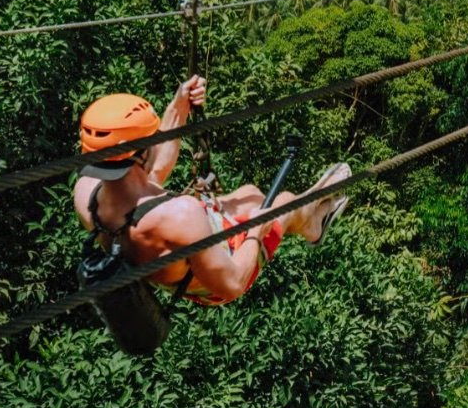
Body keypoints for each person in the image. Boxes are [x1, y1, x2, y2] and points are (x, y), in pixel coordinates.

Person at [72, 78, 349, 306]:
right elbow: (233, 284)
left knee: (250, 193)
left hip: (168, 261)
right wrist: (256, 231)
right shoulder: (181, 215)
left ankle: (308, 218)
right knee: (281, 205)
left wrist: (178, 108)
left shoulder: (86, 193)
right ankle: (311, 224)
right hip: (214, 281)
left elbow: (154, 175)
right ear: (140, 154)